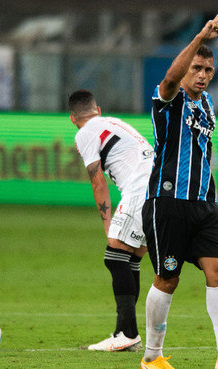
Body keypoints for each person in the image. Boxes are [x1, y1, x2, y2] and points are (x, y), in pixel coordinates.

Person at [139, 7, 218, 369]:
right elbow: (169, 77)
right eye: (197, 68)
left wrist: (212, 195)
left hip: (204, 206)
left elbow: (203, 154)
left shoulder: (207, 105)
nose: (204, 75)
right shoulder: (169, 99)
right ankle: (152, 357)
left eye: (208, 69)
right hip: (168, 202)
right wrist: (200, 39)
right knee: (168, 278)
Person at [68, 89, 153, 352]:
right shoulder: (115, 122)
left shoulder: (83, 133)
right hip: (160, 186)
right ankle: (123, 334)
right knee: (131, 260)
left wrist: (108, 225)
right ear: (98, 110)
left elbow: (98, 182)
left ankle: (127, 334)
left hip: (139, 189)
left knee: (114, 256)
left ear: (73, 118)